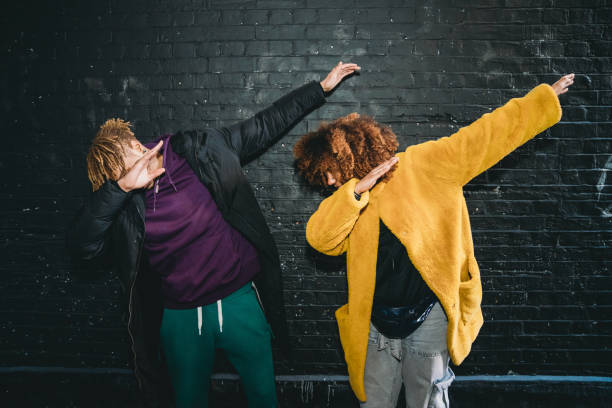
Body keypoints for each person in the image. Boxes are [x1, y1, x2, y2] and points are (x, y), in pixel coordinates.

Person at [66, 61, 361, 408]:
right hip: (180, 317)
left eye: (135, 154)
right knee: (188, 400)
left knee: (264, 395)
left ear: (135, 142)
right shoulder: (126, 206)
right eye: (125, 172)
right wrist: (120, 190)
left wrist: (319, 89)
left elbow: (262, 126)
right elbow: (82, 247)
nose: (140, 166)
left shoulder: (197, 149)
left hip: (238, 300)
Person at [293, 74, 575, 408]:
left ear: (350, 154)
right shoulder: (347, 199)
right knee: (373, 401)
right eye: (322, 176)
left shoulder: (426, 164)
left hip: (428, 316)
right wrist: (354, 192)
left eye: (330, 171)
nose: (328, 181)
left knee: (426, 400)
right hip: (374, 323)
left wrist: (540, 101)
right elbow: (320, 241)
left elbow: (485, 136)